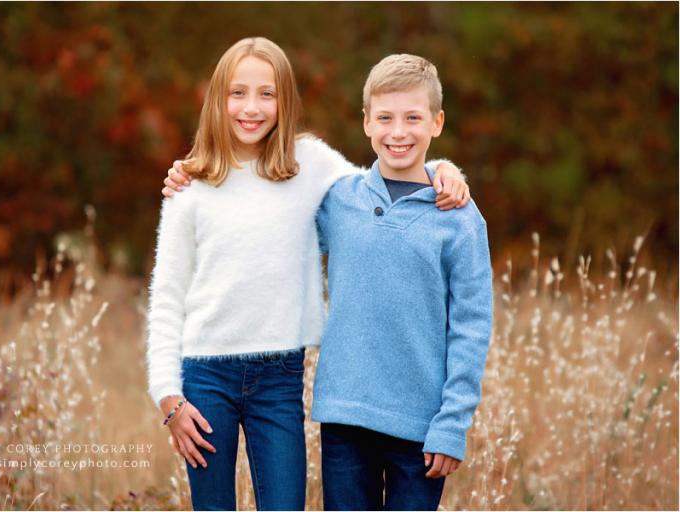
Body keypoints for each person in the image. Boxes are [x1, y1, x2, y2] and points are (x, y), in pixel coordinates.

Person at [148, 37, 470, 511]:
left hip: (278, 378)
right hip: (205, 375)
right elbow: (167, 297)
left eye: (267, 93)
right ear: (218, 99)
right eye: (238, 93)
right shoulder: (190, 186)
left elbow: (382, 183)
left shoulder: (310, 165)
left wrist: (444, 168)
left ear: (285, 101)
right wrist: (167, 396)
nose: (251, 107)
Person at [312, 54, 493, 511]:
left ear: (437, 122)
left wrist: (452, 424)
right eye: (386, 118)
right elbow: (272, 221)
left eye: (413, 118)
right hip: (345, 415)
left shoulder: (459, 219)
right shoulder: (339, 199)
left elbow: (471, 328)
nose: (398, 132)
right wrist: (196, 174)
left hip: (422, 428)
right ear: (367, 123)